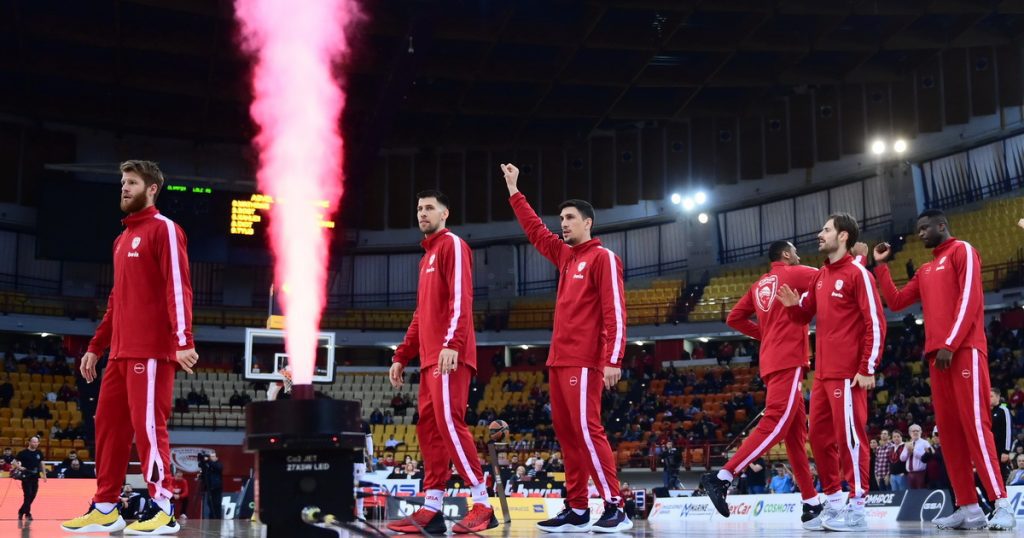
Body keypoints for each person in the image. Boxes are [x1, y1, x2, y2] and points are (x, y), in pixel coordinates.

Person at [61, 160, 197, 535]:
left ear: (152, 189)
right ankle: (106, 506)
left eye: (132, 182)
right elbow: (116, 300)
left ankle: (163, 507)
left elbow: (178, 286)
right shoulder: (121, 239)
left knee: (148, 428)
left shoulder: (164, 229)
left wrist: (183, 340)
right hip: (119, 353)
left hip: (151, 352)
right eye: (123, 182)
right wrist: (95, 346)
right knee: (107, 427)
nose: (124, 187)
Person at [503, 163, 633, 533]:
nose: (563, 223)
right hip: (559, 360)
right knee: (568, 436)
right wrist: (514, 190)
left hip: (585, 360)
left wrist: (613, 358)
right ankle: (577, 509)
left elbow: (615, 312)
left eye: (570, 217)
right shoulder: (565, 257)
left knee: (587, 431)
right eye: (561, 218)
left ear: (588, 222)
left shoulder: (603, 258)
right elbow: (535, 230)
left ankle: (615, 506)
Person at [872, 209, 1015, 530]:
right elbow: (896, 301)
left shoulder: (962, 250)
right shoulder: (925, 269)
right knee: (949, 435)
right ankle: (969, 507)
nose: (920, 233)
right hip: (938, 358)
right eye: (918, 229)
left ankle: (1001, 503)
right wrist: (881, 266)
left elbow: (970, 299)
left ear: (941, 226)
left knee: (976, 426)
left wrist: (951, 342)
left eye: (925, 228)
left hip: (964, 350)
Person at [706, 239, 856, 523]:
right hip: (788, 358)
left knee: (796, 438)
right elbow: (830, 277)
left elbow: (734, 318)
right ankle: (724, 476)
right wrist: (857, 261)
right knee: (776, 421)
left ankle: (811, 503)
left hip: (771, 360)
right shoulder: (795, 273)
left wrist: (766, 334)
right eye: (795, 251)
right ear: (786, 254)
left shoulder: (758, 285)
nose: (798, 255)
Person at [387, 190, 497, 534]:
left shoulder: (452, 245)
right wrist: (402, 354)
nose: (423, 213)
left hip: (450, 355)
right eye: (419, 208)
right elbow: (421, 315)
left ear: (444, 213)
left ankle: (483, 504)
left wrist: (452, 343)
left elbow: (462, 299)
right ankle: (432, 507)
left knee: (449, 424)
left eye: (429, 208)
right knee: (429, 430)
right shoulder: (426, 258)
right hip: (429, 358)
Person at [777, 212, 886, 532]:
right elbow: (803, 316)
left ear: (843, 236)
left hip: (848, 374)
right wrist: (792, 307)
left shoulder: (858, 273)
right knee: (819, 438)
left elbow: (875, 323)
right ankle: (835, 502)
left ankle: (858, 507)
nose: (819, 234)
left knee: (850, 438)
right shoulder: (821, 276)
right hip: (822, 375)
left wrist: (867, 367)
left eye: (826, 229)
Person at [15, 436, 46, 521]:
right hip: (26, 477)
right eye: (33, 442)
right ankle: (27, 514)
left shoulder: (39, 452)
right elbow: (14, 462)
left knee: (33, 495)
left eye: (36, 442)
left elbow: (41, 463)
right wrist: (19, 467)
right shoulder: (23, 453)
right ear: (29, 442)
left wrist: (44, 474)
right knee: (27, 495)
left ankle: (21, 511)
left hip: (35, 477)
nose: (35, 444)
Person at [900, 424, 932, 489]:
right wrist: (908, 453)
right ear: (910, 433)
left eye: (917, 431)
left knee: (921, 492)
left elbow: (925, 457)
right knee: (912, 493)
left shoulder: (925, 443)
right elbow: (902, 458)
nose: (915, 432)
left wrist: (913, 450)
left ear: (921, 432)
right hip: (910, 473)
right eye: (913, 431)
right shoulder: (908, 444)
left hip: (921, 473)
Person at [992, 388, 1013, 477]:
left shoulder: (1003, 410)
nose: (989, 398)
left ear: (998, 397)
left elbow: (1008, 431)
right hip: (991, 447)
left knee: (1001, 473)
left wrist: (1006, 451)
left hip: (1000, 449)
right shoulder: (986, 411)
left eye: (991, 396)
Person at [198, 452, 223, 519]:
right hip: (209, 488)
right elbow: (200, 465)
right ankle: (211, 518)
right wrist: (203, 461)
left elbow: (218, 468)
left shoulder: (218, 464)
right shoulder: (208, 465)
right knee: (209, 504)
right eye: (210, 456)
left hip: (217, 488)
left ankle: (218, 518)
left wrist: (209, 461)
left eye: (213, 456)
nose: (211, 458)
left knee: (216, 504)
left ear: (216, 458)